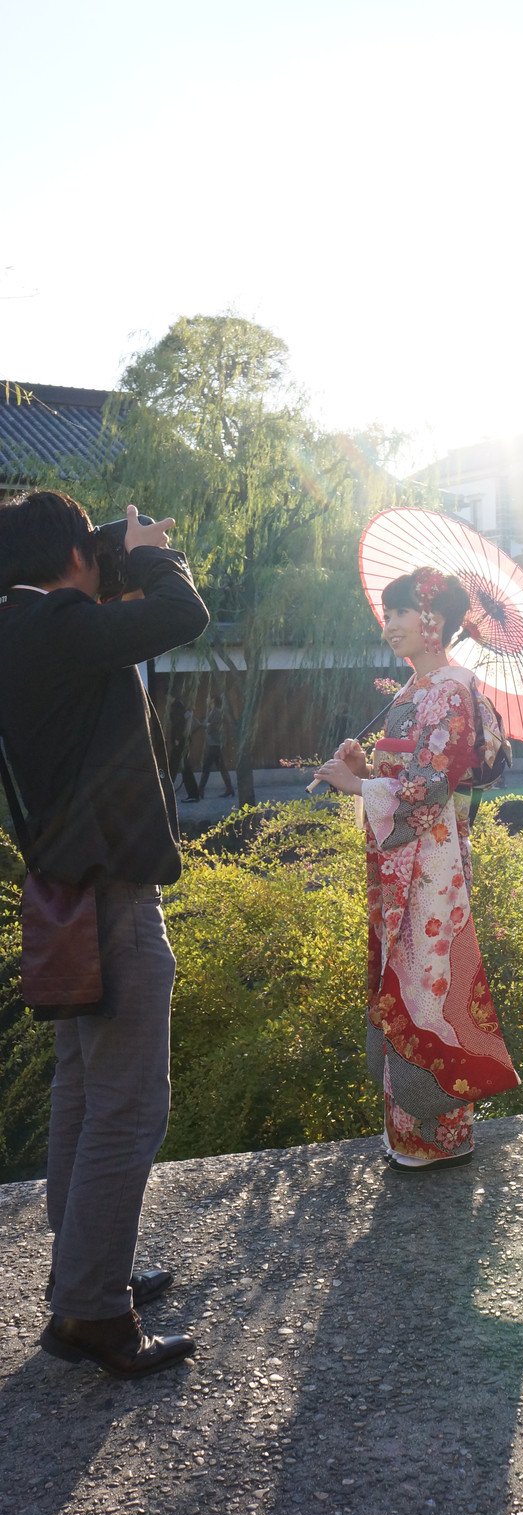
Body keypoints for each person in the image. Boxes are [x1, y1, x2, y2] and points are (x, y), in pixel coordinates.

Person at [0, 492, 209, 1377]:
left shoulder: (18, 628)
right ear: (71, 556)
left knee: (83, 1097)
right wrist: (151, 550)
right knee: (129, 1108)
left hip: (64, 893)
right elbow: (182, 615)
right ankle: (91, 1310)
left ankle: (87, 1269)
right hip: (111, 896)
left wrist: (107, 563)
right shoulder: (56, 624)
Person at [313, 567, 519, 1169]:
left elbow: (430, 787)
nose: (391, 624)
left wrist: (359, 786)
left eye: (401, 612)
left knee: (429, 986)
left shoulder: (451, 690)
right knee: (404, 980)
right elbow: (405, 774)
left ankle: (440, 1135)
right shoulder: (415, 690)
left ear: (433, 619)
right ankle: (409, 1133)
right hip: (407, 860)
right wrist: (365, 770)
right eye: (389, 613)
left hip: (432, 866)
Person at [197, 694, 234, 797]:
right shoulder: (212, 712)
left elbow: (212, 726)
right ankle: (229, 788)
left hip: (216, 743)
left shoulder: (217, 712)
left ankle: (200, 790)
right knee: (221, 766)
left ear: (213, 700)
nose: (207, 699)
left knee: (207, 765)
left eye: (208, 698)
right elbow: (206, 723)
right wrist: (205, 724)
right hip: (215, 743)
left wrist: (206, 725)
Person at [166, 693, 201, 802]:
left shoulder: (176, 705)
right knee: (182, 767)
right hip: (183, 741)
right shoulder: (180, 704)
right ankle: (193, 794)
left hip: (180, 742)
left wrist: (177, 738)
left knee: (176, 767)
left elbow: (179, 722)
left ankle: (166, 791)